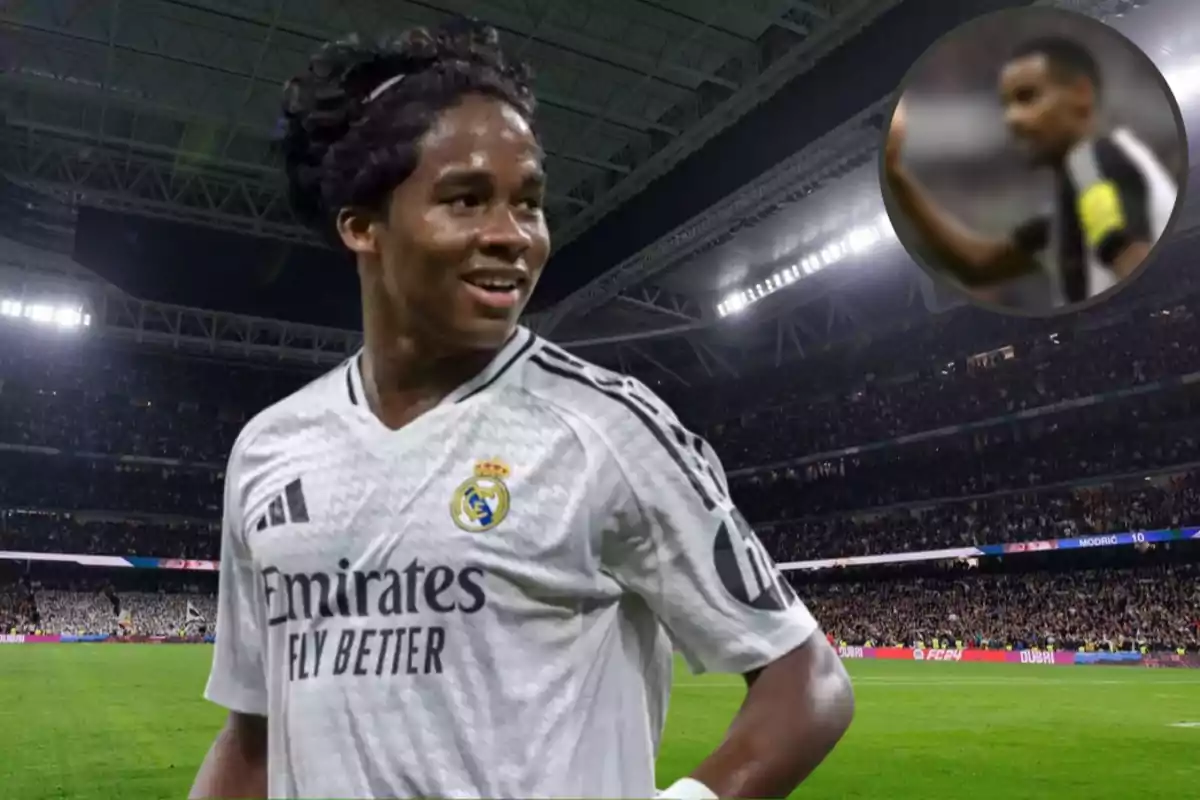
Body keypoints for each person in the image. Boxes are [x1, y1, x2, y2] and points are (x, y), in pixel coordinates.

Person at [189, 17, 853, 800]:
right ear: (362, 226)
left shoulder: (608, 431)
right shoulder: (271, 449)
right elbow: (255, 744)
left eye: (529, 203)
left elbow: (806, 680)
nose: (513, 236)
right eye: (465, 200)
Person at [885, 36, 1178, 308]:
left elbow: (1126, 256)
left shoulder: (1094, 163)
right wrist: (896, 173)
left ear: (1081, 93)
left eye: (1028, 97)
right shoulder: (1073, 202)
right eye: (1007, 106)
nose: (1012, 118)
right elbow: (979, 265)